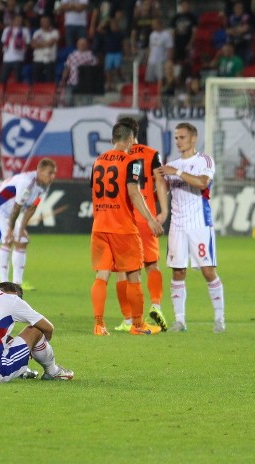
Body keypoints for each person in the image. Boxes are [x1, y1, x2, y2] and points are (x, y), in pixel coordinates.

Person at [90, 121, 163, 336]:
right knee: (134, 276)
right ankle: (138, 325)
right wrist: (150, 219)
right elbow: (134, 192)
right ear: (131, 140)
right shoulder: (133, 162)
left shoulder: (97, 162)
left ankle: (99, 324)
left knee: (101, 276)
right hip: (123, 228)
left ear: (113, 139)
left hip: (100, 226)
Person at [155, 123, 225, 333]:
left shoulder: (204, 160)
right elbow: (160, 183)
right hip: (178, 225)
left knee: (208, 270)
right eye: (176, 138)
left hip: (200, 225)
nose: (178, 141)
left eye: (182, 137)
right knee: (178, 271)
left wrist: (176, 171)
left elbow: (202, 183)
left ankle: (219, 319)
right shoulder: (171, 165)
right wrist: (164, 211)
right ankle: (180, 320)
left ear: (193, 139)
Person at [111, 117, 169, 333]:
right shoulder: (151, 154)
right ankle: (156, 305)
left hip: (123, 218)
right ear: (137, 133)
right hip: (147, 218)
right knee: (151, 264)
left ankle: (127, 320)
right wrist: (163, 211)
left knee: (122, 271)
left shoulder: (113, 157)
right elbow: (160, 181)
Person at [0, 159, 57, 291]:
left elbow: (32, 207)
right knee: (7, 239)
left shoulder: (45, 185)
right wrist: (11, 229)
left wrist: (21, 228)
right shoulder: (26, 182)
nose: (52, 176)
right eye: (50, 173)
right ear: (39, 171)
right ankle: (3, 283)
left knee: (22, 240)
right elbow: (17, 207)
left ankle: (17, 284)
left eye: (54, 173)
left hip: (9, 212)